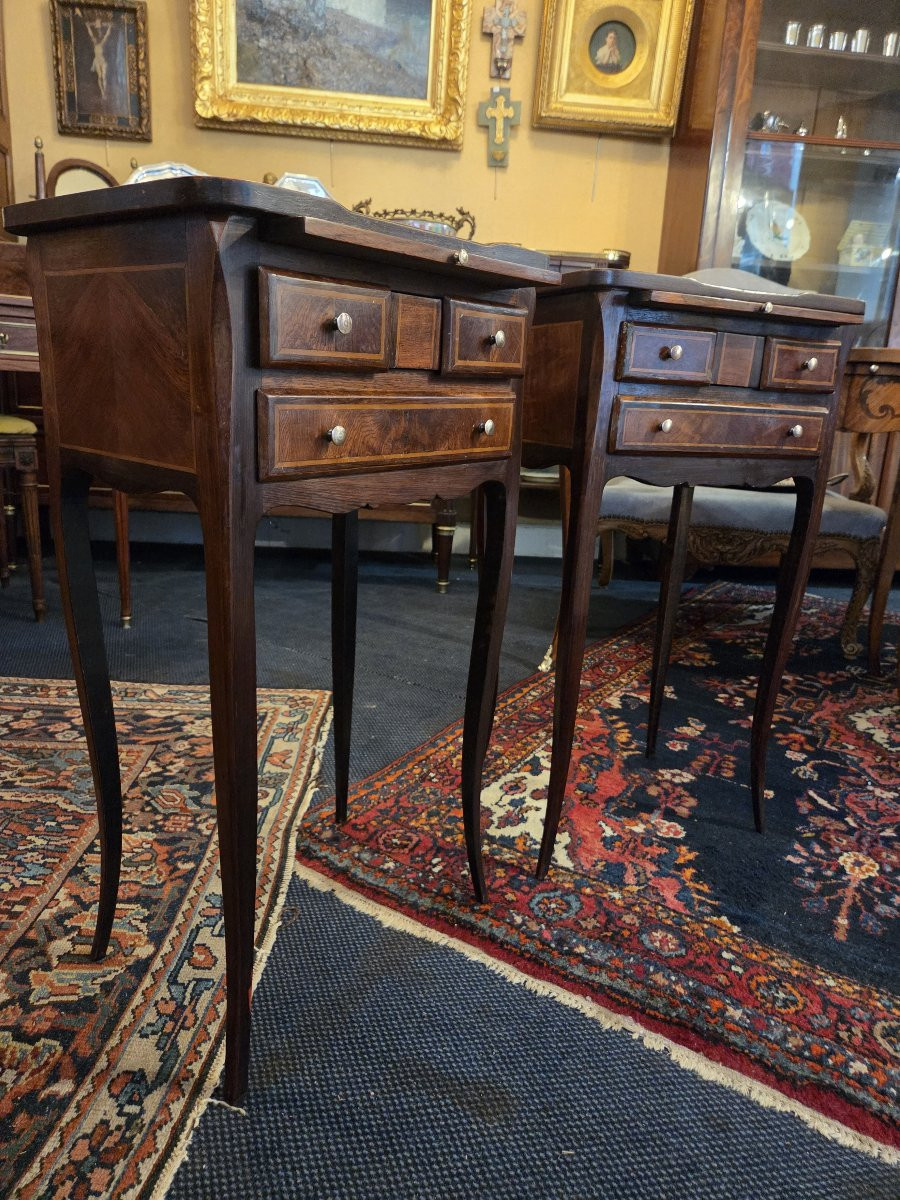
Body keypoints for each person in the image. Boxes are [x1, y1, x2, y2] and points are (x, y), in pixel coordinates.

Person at [83, 14, 113, 99]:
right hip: (96, 61)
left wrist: (109, 27)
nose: (94, 39)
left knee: (104, 76)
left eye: (95, 39)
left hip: (102, 60)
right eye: (93, 39)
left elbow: (107, 35)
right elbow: (90, 34)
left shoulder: (101, 44)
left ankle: (105, 91)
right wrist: (88, 27)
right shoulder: (94, 44)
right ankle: (102, 93)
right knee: (100, 76)